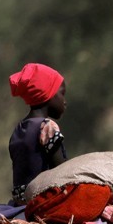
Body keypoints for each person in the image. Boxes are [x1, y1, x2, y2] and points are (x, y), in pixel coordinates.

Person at [9, 62, 68, 205]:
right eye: (62, 94)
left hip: (19, 201)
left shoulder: (19, 129)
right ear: (49, 95)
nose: (65, 102)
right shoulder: (47, 126)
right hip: (41, 199)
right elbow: (63, 172)